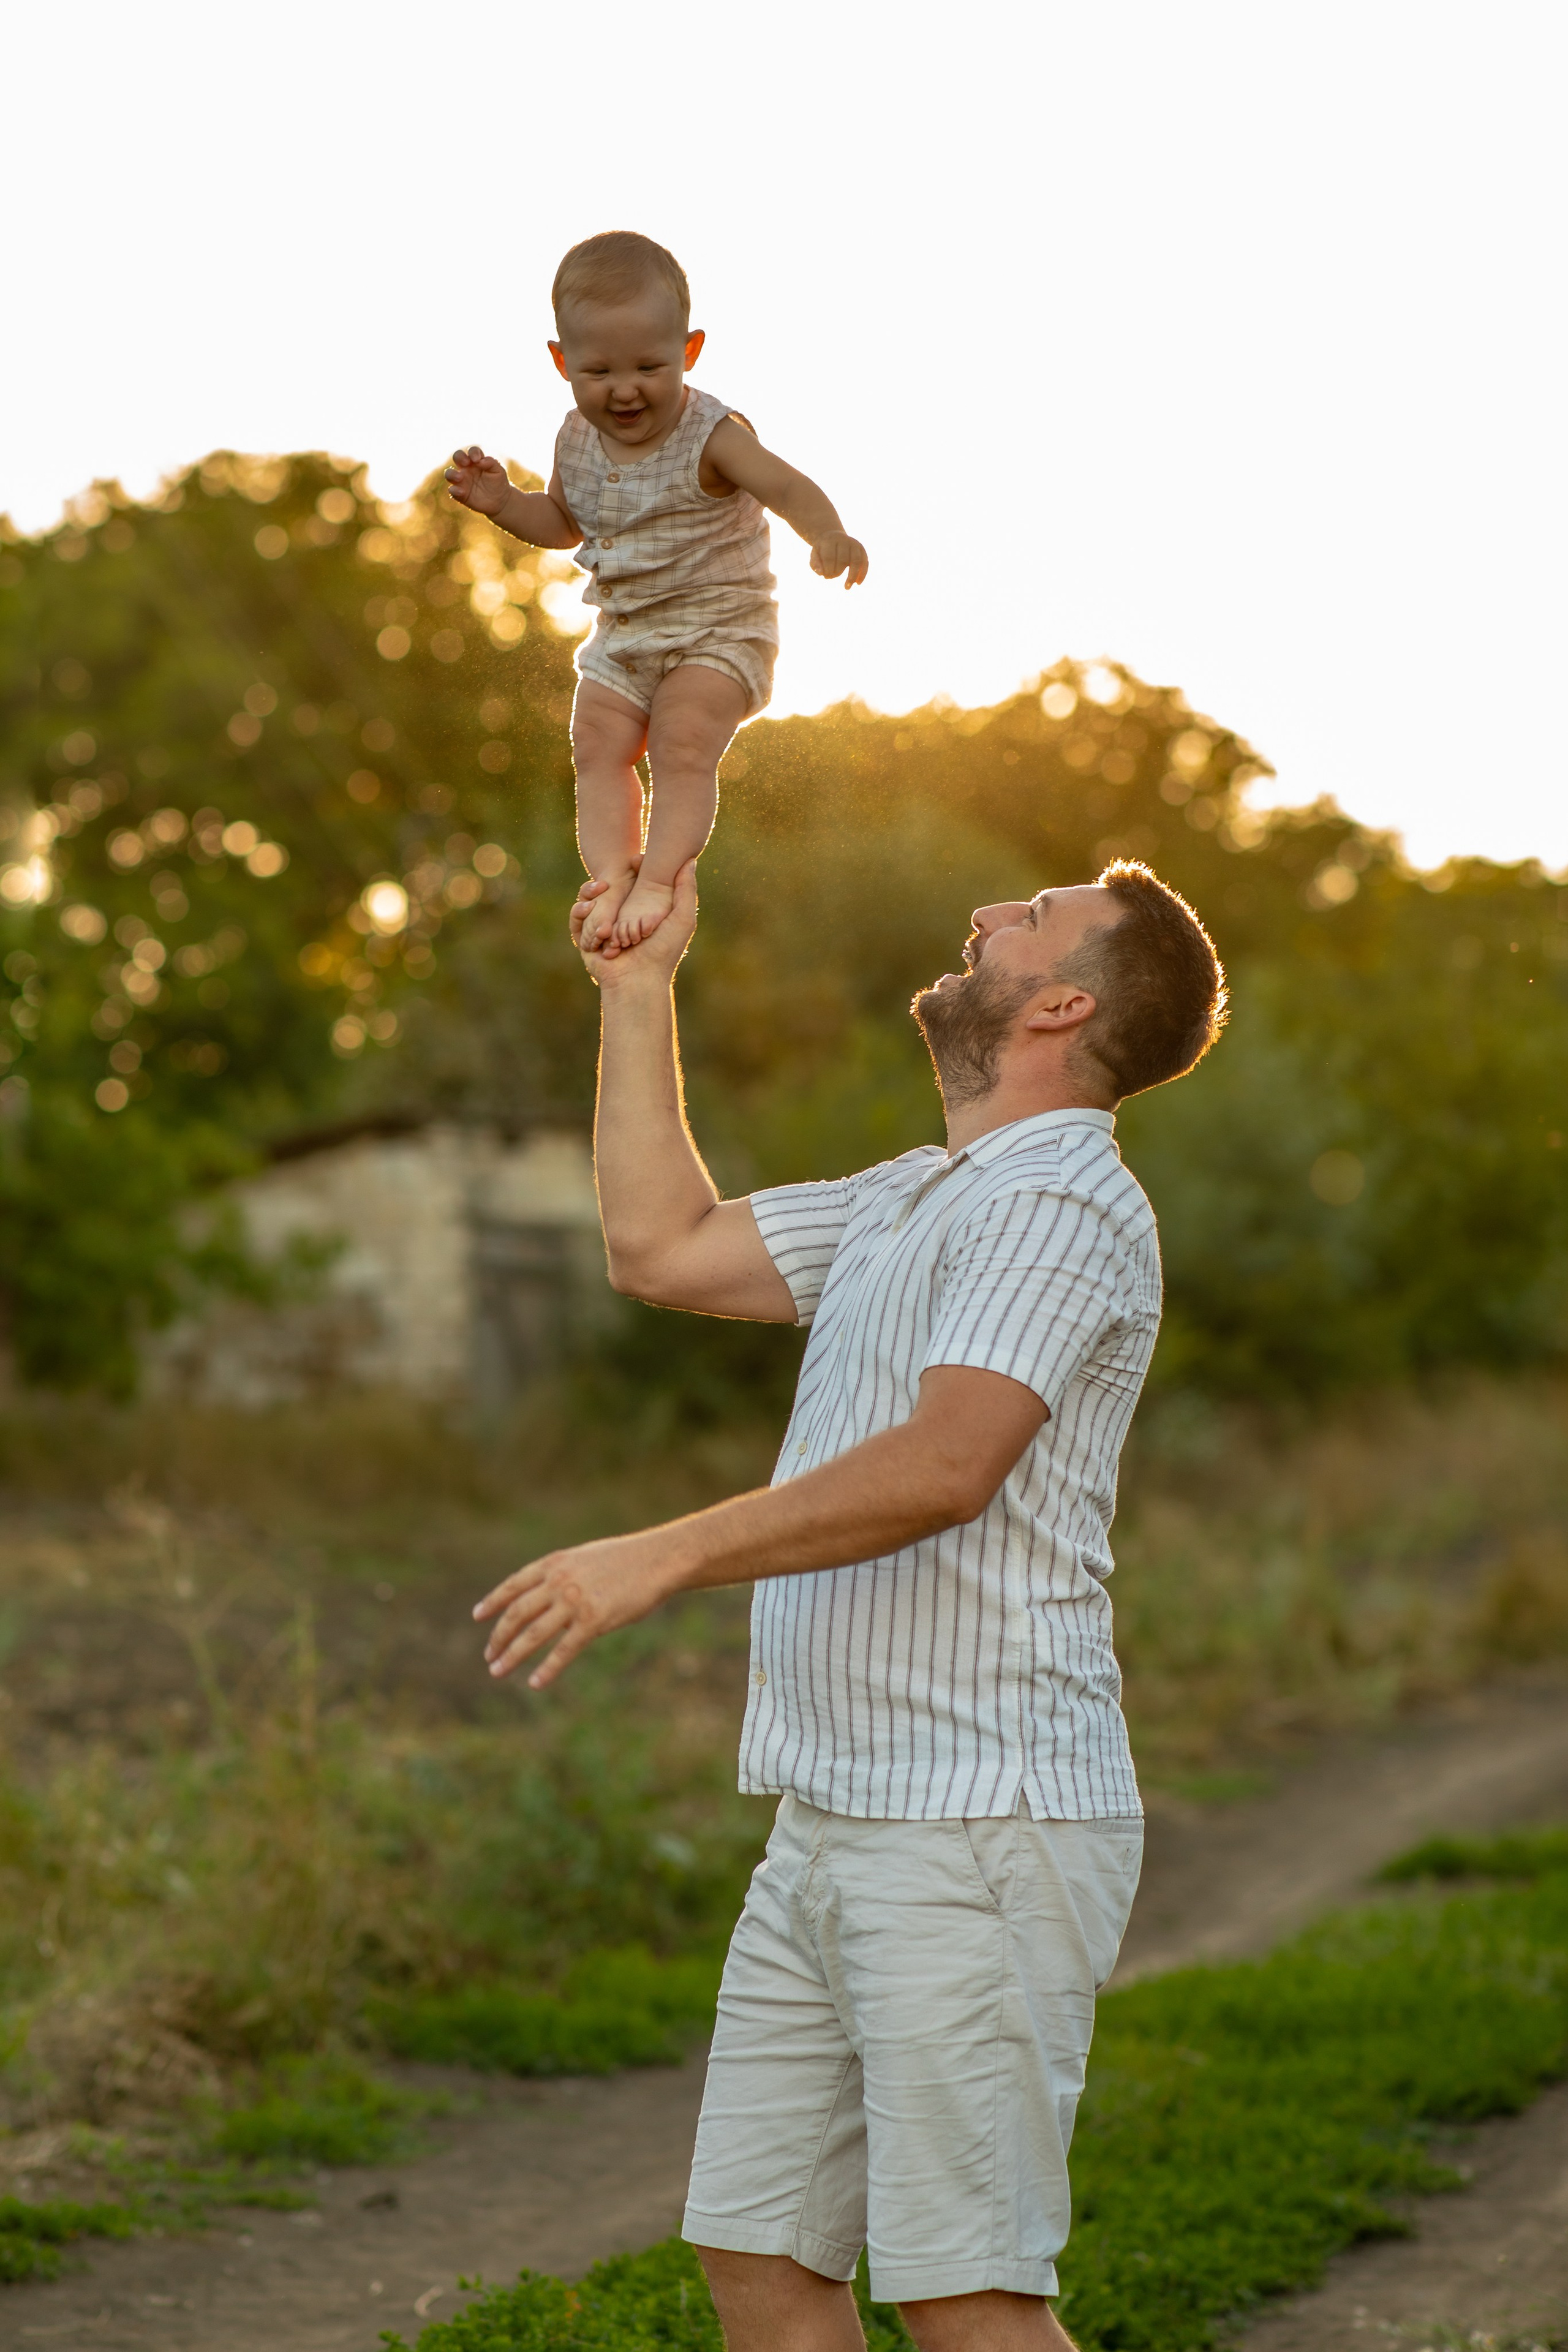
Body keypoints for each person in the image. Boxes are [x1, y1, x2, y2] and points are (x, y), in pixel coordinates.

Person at [475, 857, 1227, 2352]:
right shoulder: (910, 1193)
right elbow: (660, 1245)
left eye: (1031, 919)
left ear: (1061, 1005)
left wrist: (661, 1553)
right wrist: (637, 988)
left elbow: (947, 1464)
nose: (986, 916)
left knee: (966, 2298)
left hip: (975, 1822)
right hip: (831, 1812)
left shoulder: (1058, 1203)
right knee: (759, 2254)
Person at [445, 230, 867, 953]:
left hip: (720, 632)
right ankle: (613, 877)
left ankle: (660, 878)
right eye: (598, 370)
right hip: (625, 634)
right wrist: (505, 503)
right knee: (594, 743)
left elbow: (787, 485)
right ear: (562, 362)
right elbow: (563, 523)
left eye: (649, 366)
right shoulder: (575, 438)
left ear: (689, 351)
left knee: (681, 740)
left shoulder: (713, 436)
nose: (625, 389)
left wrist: (826, 532)